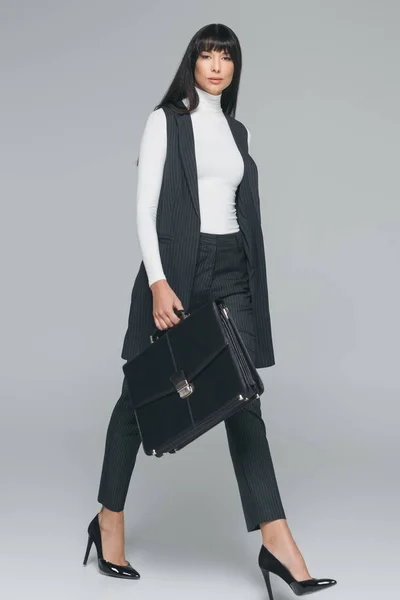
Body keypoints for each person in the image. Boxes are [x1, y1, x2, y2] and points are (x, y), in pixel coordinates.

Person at [83, 23, 337, 597]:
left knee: (243, 399)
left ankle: (277, 543)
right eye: (207, 54)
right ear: (192, 62)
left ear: (235, 66)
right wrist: (158, 281)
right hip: (178, 270)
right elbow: (145, 207)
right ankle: (109, 521)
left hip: (233, 271)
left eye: (227, 56)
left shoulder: (236, 129)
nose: (217, 64)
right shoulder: (166, 120)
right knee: (140, 398)